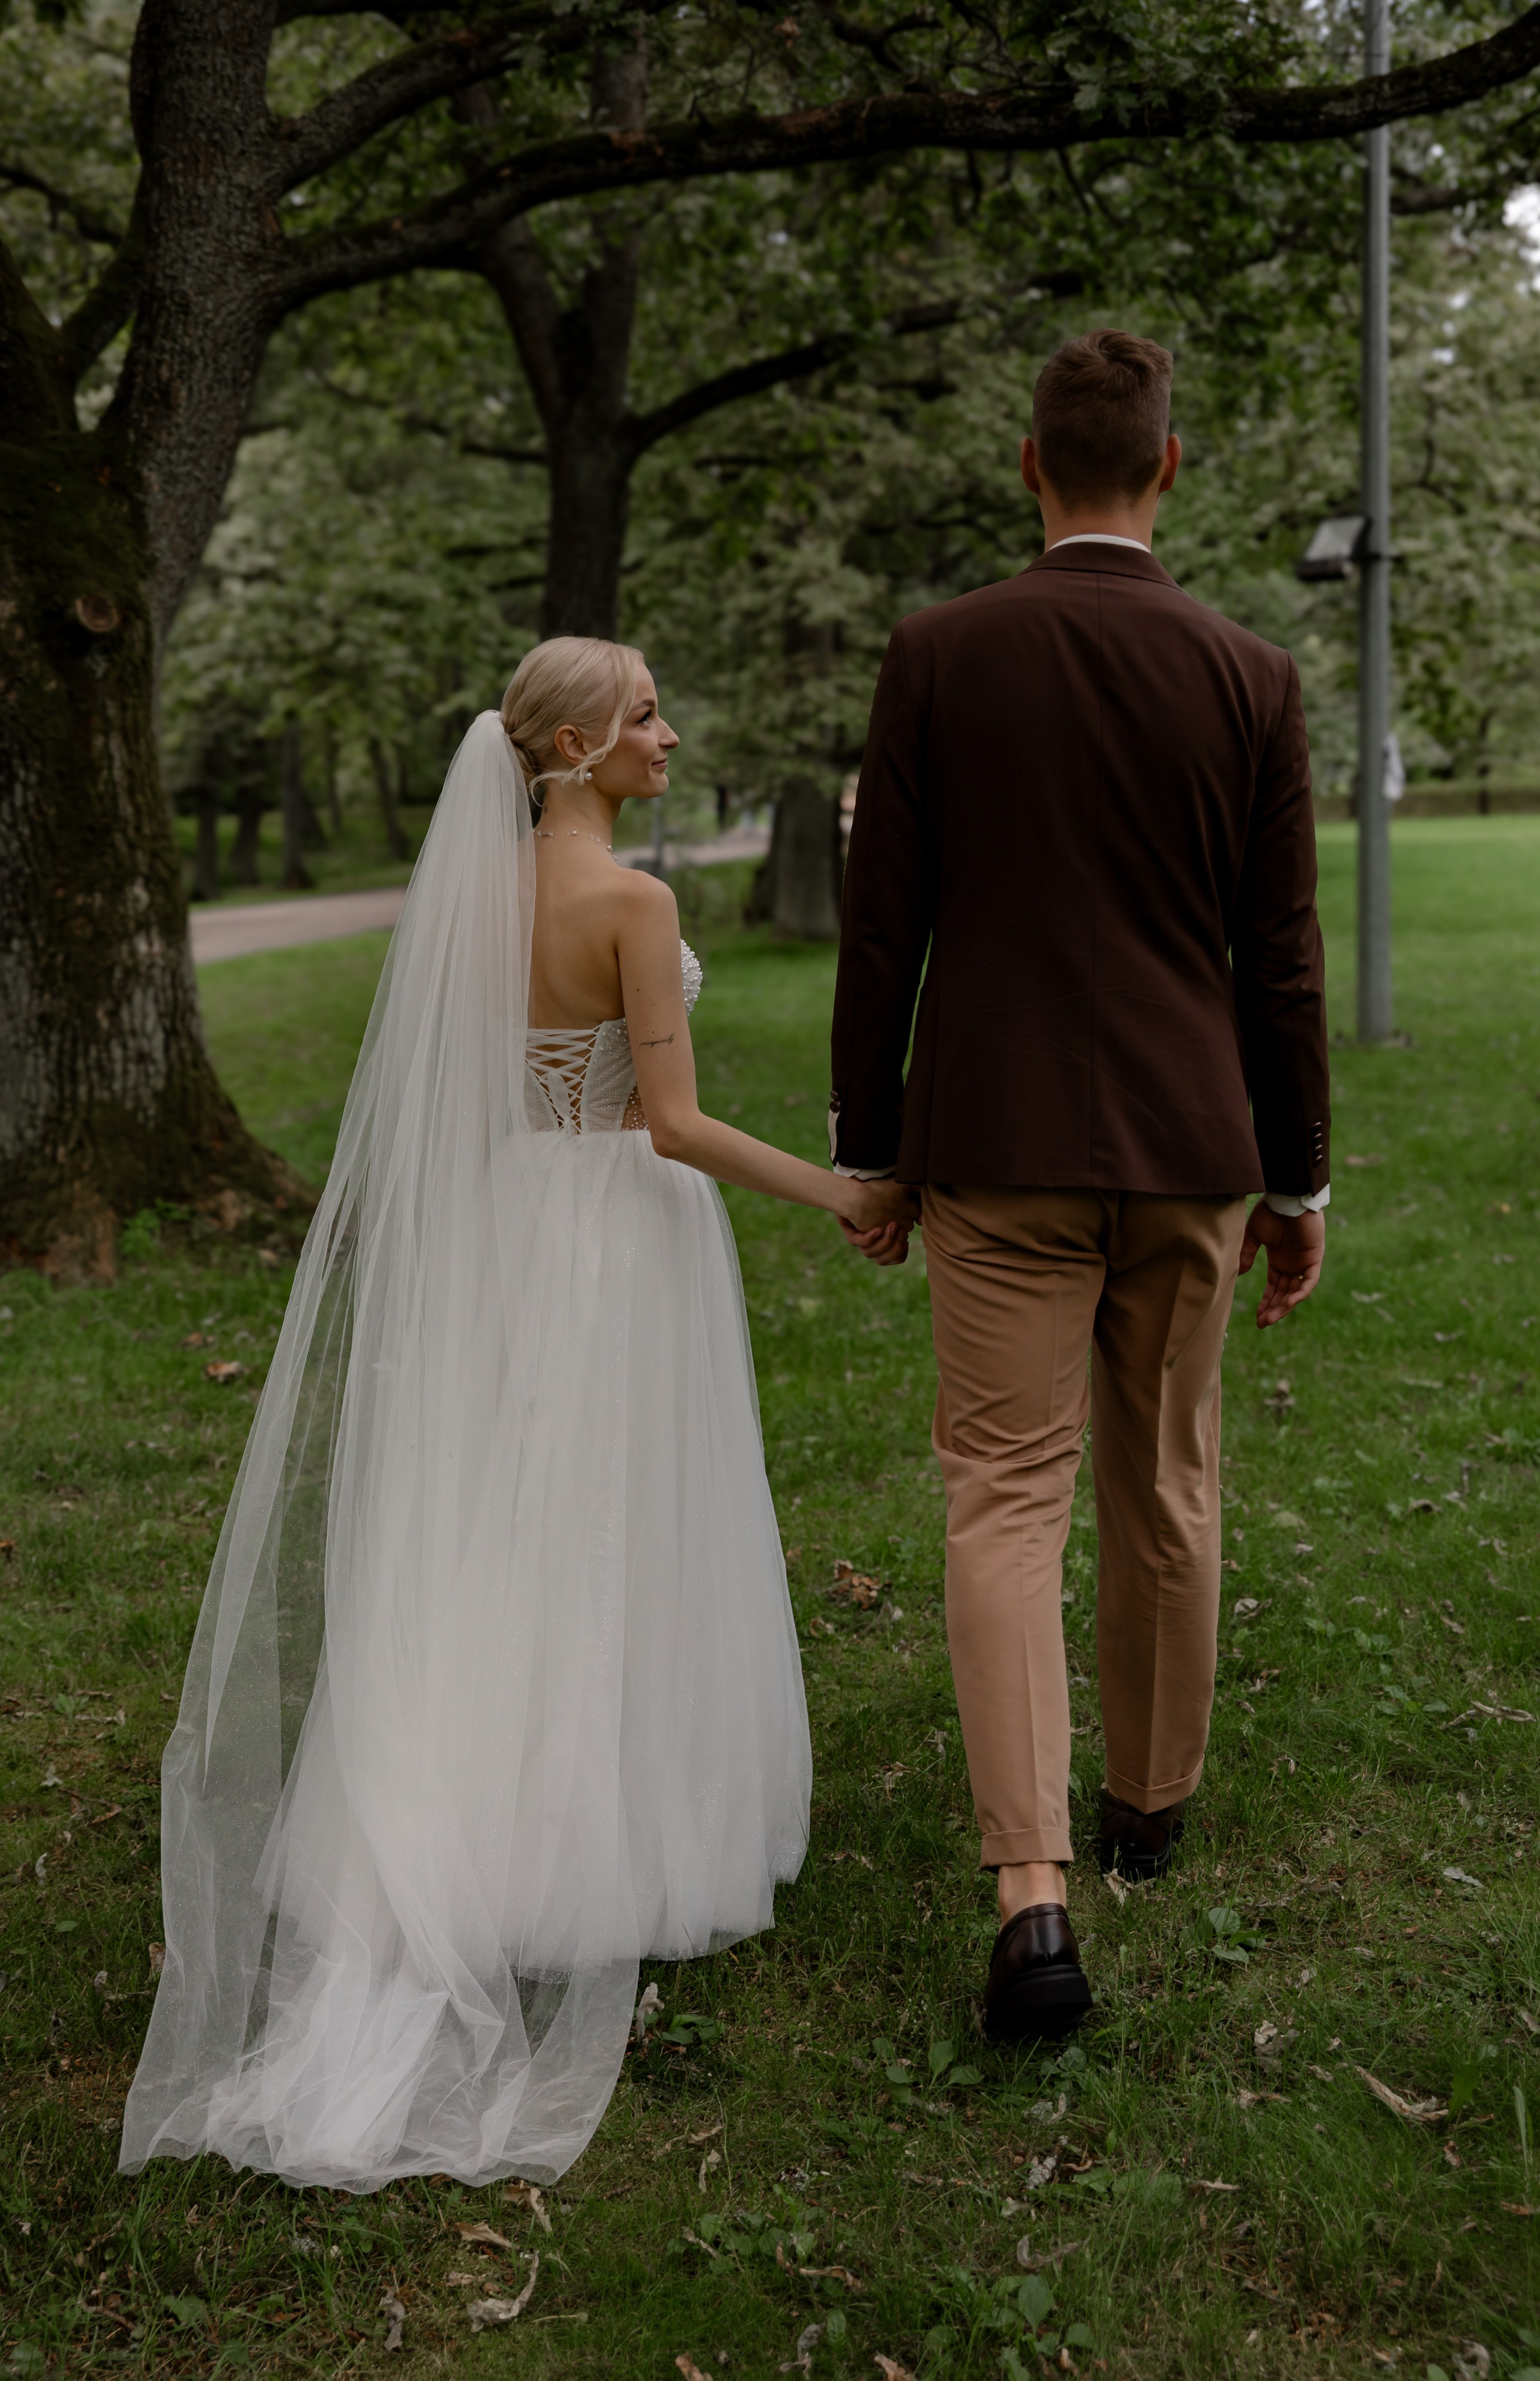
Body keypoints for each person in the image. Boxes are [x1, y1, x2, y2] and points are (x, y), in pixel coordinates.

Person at [120, 638, 913, 2193]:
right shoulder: (633, 903)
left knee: (501, 1524)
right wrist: (845, 1194)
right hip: (615, 1233)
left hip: (507, 1226)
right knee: (617, 1519)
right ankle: (596, 1845)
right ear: (568, 749)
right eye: (643, 717)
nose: (667, 736)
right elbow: (670, 1124)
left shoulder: (474, 902)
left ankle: (468, 1820)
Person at [831, 330, 1329, 2043]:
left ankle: (1030, 1898)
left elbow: (882, 927)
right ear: (1168, 466)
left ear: (1031, 464)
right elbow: (1282, 959)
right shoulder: (1253, 673)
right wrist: (1299, 1181)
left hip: (997, 1142)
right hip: (1196, 1150)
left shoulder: (938, 652)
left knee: (1002, 1499)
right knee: (1166, 1482)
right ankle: (1148, 1808)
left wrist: (873, 1148)